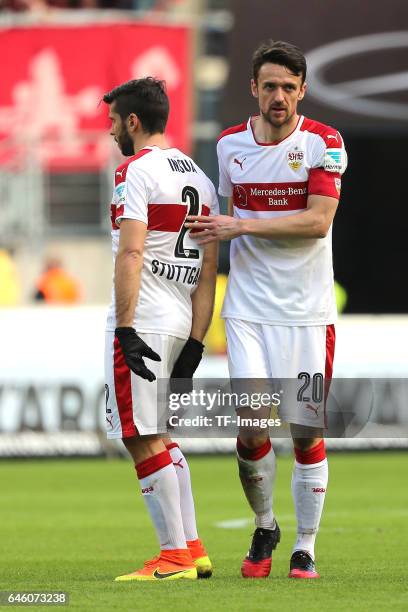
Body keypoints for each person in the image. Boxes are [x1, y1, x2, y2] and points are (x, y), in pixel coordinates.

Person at [185, 40, 347, 579]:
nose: (279, 96)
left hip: (306, 313)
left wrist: (243, 224)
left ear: (303, 90)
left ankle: (305, 546)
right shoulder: (231, 144)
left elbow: (318, 221)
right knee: (254, 425)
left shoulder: (325, 141)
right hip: (249, 310)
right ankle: (265, 524)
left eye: (289, 87)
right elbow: (221, 219)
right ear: (253, 88)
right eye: (269, 85)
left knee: (303, 429)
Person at [103, 77, 218, 581]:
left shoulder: (135, 170)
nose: (110, 132)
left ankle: (173, 557)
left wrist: (125, 329)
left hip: (144, 319)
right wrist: (197, 339)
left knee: (139, 435)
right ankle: (191, 548)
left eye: (113, 122)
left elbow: (132, 251)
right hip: (178, 318)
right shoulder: (200, 177)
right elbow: (210, 270)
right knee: (162, 435)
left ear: (132, 121)